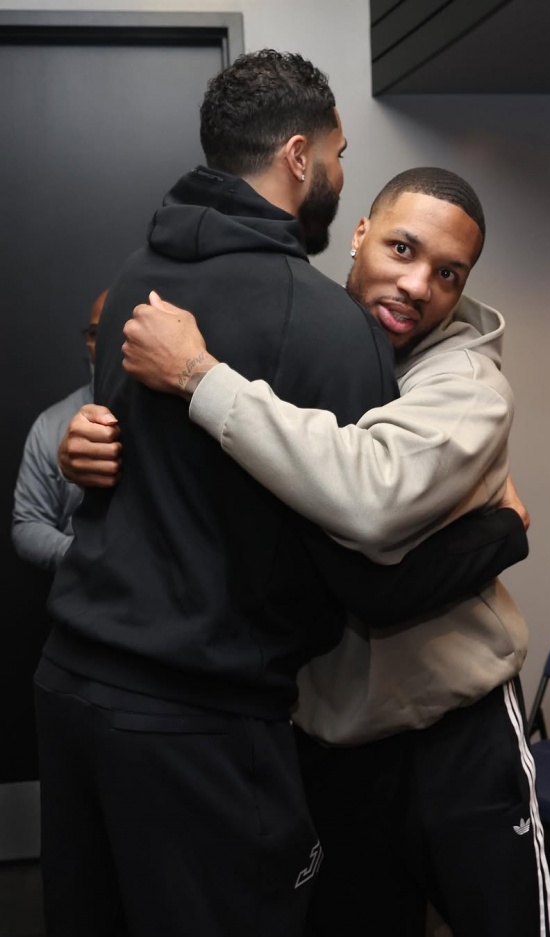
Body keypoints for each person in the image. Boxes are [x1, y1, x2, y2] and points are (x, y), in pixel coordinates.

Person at [35, 53, 525, 937]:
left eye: (450, 273)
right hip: (326, 727)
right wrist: (94, 450)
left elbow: (369, 512)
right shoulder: (316, 326)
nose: (419, 284)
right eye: (403, 249)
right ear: (358, 228)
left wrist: (503, 532)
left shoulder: (464, 382)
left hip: (450, 720)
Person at [11, 289, 106, 570]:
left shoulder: (169, 417)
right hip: (82, 590)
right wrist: (84, 560)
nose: (105, 343)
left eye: (115, 330)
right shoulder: (51, 425)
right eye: (95, 333)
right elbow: (27, 524)